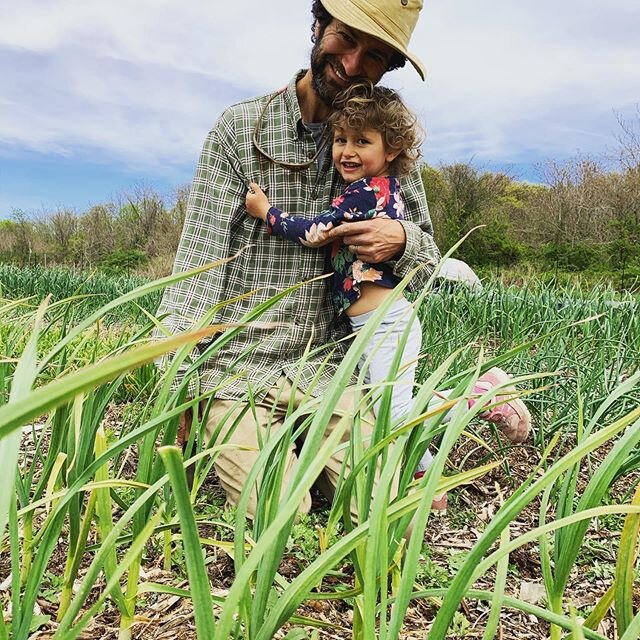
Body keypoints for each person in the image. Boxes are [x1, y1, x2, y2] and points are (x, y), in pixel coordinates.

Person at [157, 0, 529, 523]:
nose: (354, 64)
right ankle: (439, 403)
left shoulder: (385, 144)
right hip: (237, 369)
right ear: (318, 24)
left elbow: (427, 261)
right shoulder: (239, 131)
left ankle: (436, 411)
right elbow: (197, 265)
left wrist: (401, 239)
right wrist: (179, 387)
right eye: (346, 38)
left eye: (375, 55)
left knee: (381, 509)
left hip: (334, 369)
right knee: (277, 513)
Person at [244, 82, 531, 510]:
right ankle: (424, 475)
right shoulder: (374, 192)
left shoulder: (365, 193)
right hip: (371, 325)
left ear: (392, 149)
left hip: (384, 323)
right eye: (341, 139)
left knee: (393, 415)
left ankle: (481, 398)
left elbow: (314, 234)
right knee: (386, 408)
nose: (347, 150)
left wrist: (266, 212)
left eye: (363, 140)